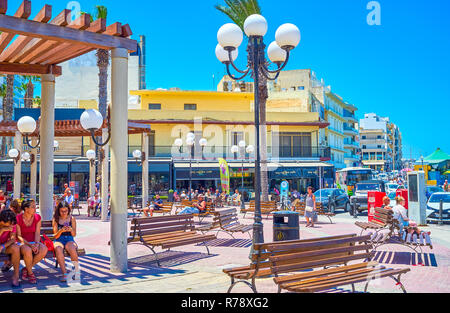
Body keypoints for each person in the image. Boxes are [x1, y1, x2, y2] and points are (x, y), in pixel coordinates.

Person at [16, 199, 48, 284]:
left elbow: (37, 233)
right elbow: (19, 236)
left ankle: (26, 268)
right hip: (22, 242)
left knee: (44, 249)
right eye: (33, 207)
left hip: (33, 241)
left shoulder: (37, 217)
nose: (35, 208)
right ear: (26, 209)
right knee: (27, 250)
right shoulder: (18, 218)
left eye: (35, 206)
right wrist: (30, 246)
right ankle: (30, 273)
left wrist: (37, 244)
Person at [52, 201, 80, 282]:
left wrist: (71, 230)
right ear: (58, 211)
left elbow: (74, 234)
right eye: (62, 211)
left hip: (69, 239)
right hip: (59, 239)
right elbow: (55, 236)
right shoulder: (56, 219)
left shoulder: (72, 219)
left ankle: (76, 272)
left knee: (71, 248)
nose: (64, 213)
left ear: (68, 210)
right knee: (58, 248)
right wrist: (61, 231)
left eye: (66, 211)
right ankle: (65, 273)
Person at [0, 210, 21, 287]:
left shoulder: (12, 224)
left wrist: (2, 246)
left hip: (4, 246)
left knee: (16, 248)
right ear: (3, 221)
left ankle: (16, 275)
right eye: (10, 222)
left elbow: (12, 239)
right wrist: (2, 230)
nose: (12, 225)